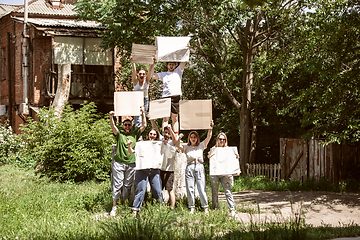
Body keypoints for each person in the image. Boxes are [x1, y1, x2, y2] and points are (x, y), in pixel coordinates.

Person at [109, 106, 146, 217]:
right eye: (125, 124)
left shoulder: (135, 133)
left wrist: (143, 113)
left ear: (132, 125)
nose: (127, 126)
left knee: (127, 185)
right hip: (119, 163)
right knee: (117, 184)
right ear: (123, 126)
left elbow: (144, 125)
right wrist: (111, 117)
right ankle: (114, 207)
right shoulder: (119, 134)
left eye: (129, 124)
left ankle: (125, 204)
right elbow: (113, 126)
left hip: (131, 163)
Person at [176, 120, 214, 215]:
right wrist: (179, 138)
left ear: (197, 138)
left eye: (195, 137)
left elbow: (209, 137)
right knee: (190, 188)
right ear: (189, 138)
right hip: (190, 167)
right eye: (191, 137)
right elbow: (177, 145)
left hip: (199, 166)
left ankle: (205, 207)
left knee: (201, 187)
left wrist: (210, 127)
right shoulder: (186, 147)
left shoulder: (201, 145)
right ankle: (191, 207)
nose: (193, 139)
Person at [127, 128, 164, 217]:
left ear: (156, 136)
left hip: (154, 170)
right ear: (148, 134)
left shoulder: (159, 145)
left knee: (157, 190)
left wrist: (165, 145)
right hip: (142, 169)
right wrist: (129, 145)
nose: (152, 135)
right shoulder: (142, 144)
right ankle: (135, 211)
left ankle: (159, 209)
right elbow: (131, 151)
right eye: (151, 133)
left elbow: (168, 149)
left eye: (154, 134)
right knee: (140, 190)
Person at [150, 58, 186, 135]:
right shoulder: (164, 74)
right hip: (166, 97)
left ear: (176, 65)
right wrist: (153, 63)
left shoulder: (178, 71)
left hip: (176, 97)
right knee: (166, 118)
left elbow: (183, 60)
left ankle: (176, 135)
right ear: (167, 65)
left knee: (175, 118)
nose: (171, 66)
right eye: (170, 64)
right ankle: (165, 135)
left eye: (173, 64)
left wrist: (186, 47)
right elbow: (152, 75)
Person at [208, 132, 239, 218]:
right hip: (215, 174)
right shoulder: (213, 149)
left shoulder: (229, 150)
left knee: (228, 191)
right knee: (214, 192)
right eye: (220, 139)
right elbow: (211, 162)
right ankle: (216, 208)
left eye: (223, 139)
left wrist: (235, 157)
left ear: (226, 140)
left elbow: (232, 161)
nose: (222, 141)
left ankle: (232, 209)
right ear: (217, 139)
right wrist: (209, 157)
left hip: (225, 174)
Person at [150, 119, 178, 209]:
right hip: (160, 169)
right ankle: (159, 206)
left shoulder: (172, 142)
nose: (166, 134)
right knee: (159, 189)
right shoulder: (161, 139)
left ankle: (172, 208)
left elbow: (175, 139)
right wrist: (151, 120)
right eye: (165, 132)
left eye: (168, 133)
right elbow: (156, 129)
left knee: (170, 189)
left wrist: (171, 130)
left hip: (169, 170)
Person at [131, 54, 154, 129]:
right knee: (137, 116)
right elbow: (134, 70)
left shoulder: (146, 80)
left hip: (145, 99)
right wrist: (132, 61)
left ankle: (142, 132)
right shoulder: (135, 81)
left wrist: (152, 61)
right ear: (138, 74)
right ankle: (138, 132)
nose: (142, 75)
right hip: (137, 100)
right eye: (140, 74)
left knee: (144, 115)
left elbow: (150, 71)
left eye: (143, 74)